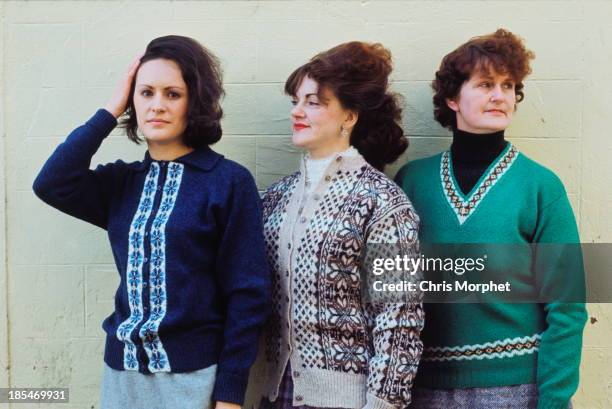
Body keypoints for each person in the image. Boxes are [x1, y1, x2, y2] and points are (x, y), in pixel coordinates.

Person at [32, 35, 270, 409]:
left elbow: (248, 293)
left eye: (172, 94)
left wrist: (229, 393)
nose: (157, 105)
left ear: (195, 100)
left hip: (193, 379)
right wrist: (111, 110)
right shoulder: (121, 183)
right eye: (146, 93)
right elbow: (51, 183)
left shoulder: (227, 182)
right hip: (121, 377)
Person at [394, 29, 587, 409]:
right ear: (452, 98)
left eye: (508, 85)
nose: (500, 96)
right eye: (485, 85)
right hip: (424, 389)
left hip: (516, 390)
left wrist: (554, 402)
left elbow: (567, 308)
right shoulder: (412, 182)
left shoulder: (540, 187)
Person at [257, 41, 424, 409]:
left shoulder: (384, 203)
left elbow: (400, 318)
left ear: (350, 116)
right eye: (295, 101)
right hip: (275, 396)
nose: (297, 112)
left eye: (313, 102)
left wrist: (382, 405)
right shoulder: (275, 198)